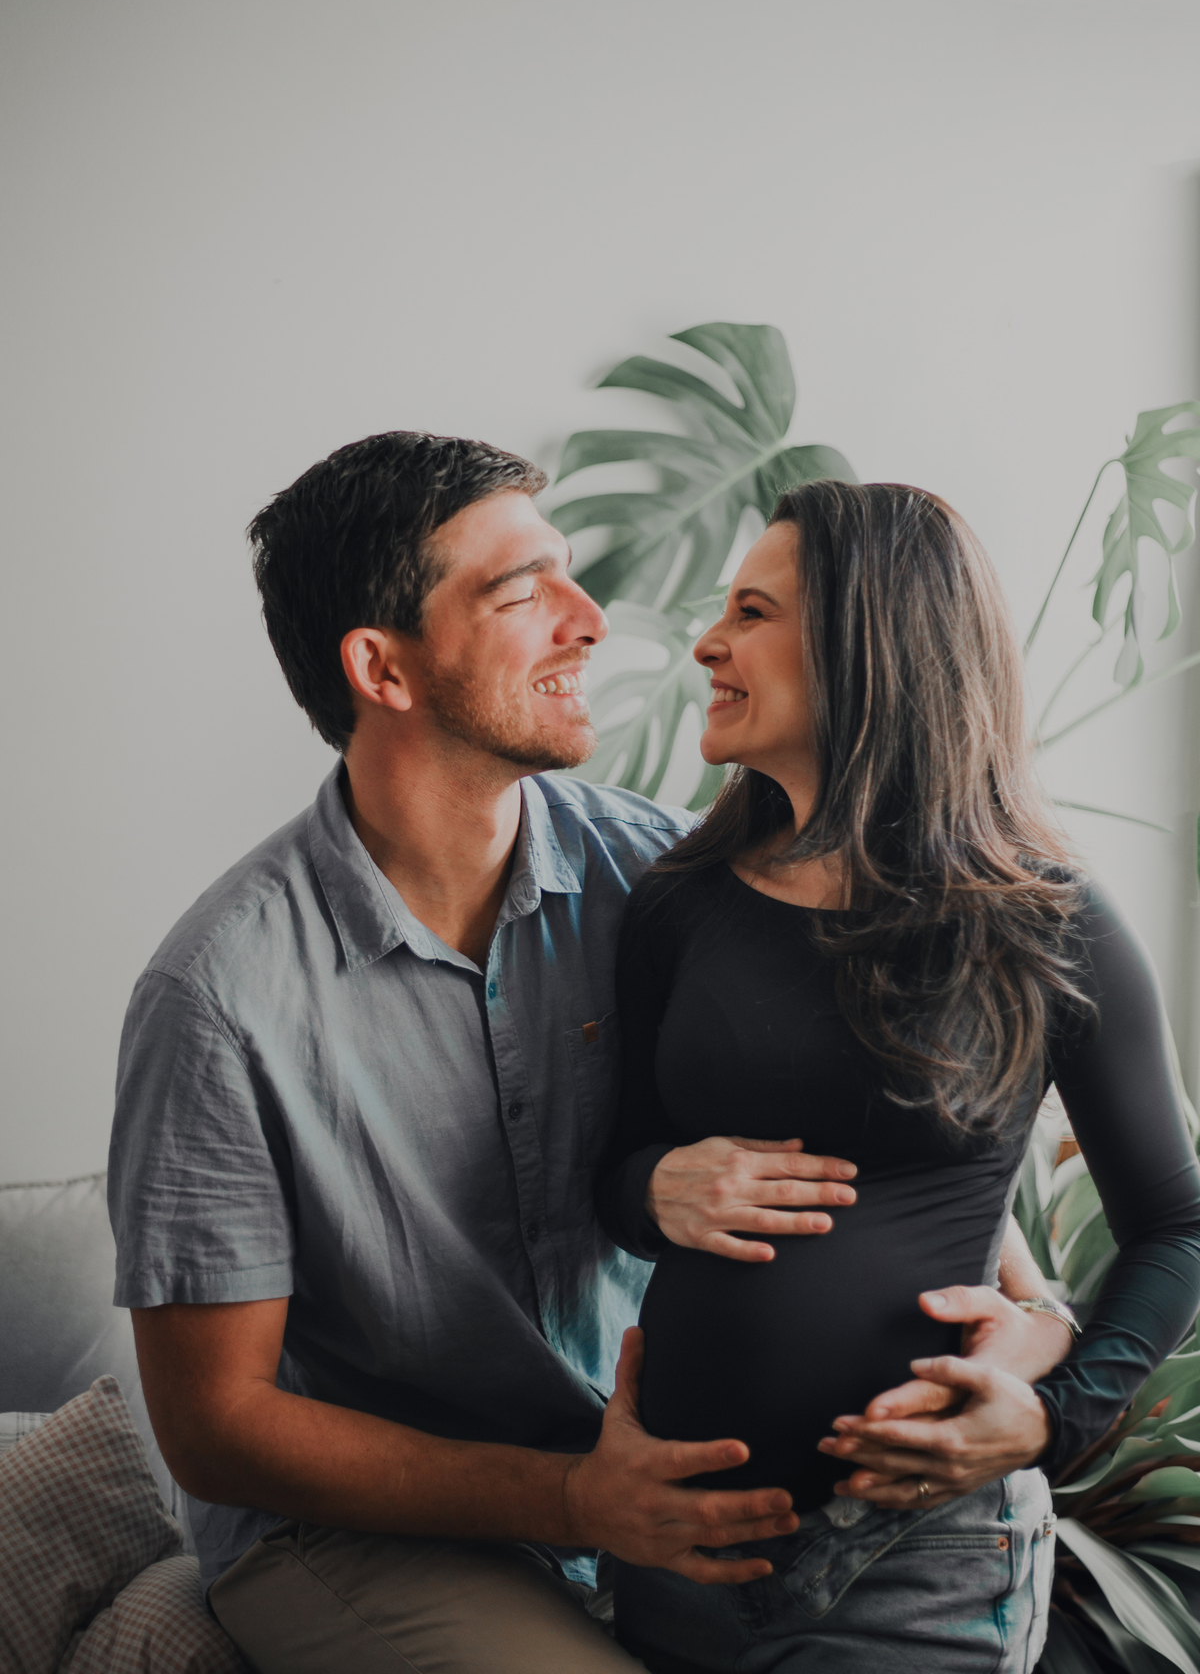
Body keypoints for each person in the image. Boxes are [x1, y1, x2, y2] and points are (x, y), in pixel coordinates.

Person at [109, 435, 1075, 1674]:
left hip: (659, 1496)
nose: (591, 619)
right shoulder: (218, 998)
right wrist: (574, 1500)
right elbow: (217, 1428)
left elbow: (888, 1139)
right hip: (367, 1535)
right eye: (523, 593)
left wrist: (1030, 1316)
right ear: (381, 668)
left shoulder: (676, 882)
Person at [597, 479, 1200, 1674]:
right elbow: (613, 1177)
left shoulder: (1046, 921)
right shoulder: (678, 904)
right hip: (676, 1545)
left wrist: (1050, 1418)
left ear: (866, 644)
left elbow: (1178, 1226)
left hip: (913, 1567)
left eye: (751, 613)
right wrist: (651, 1185)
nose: (707, 644)